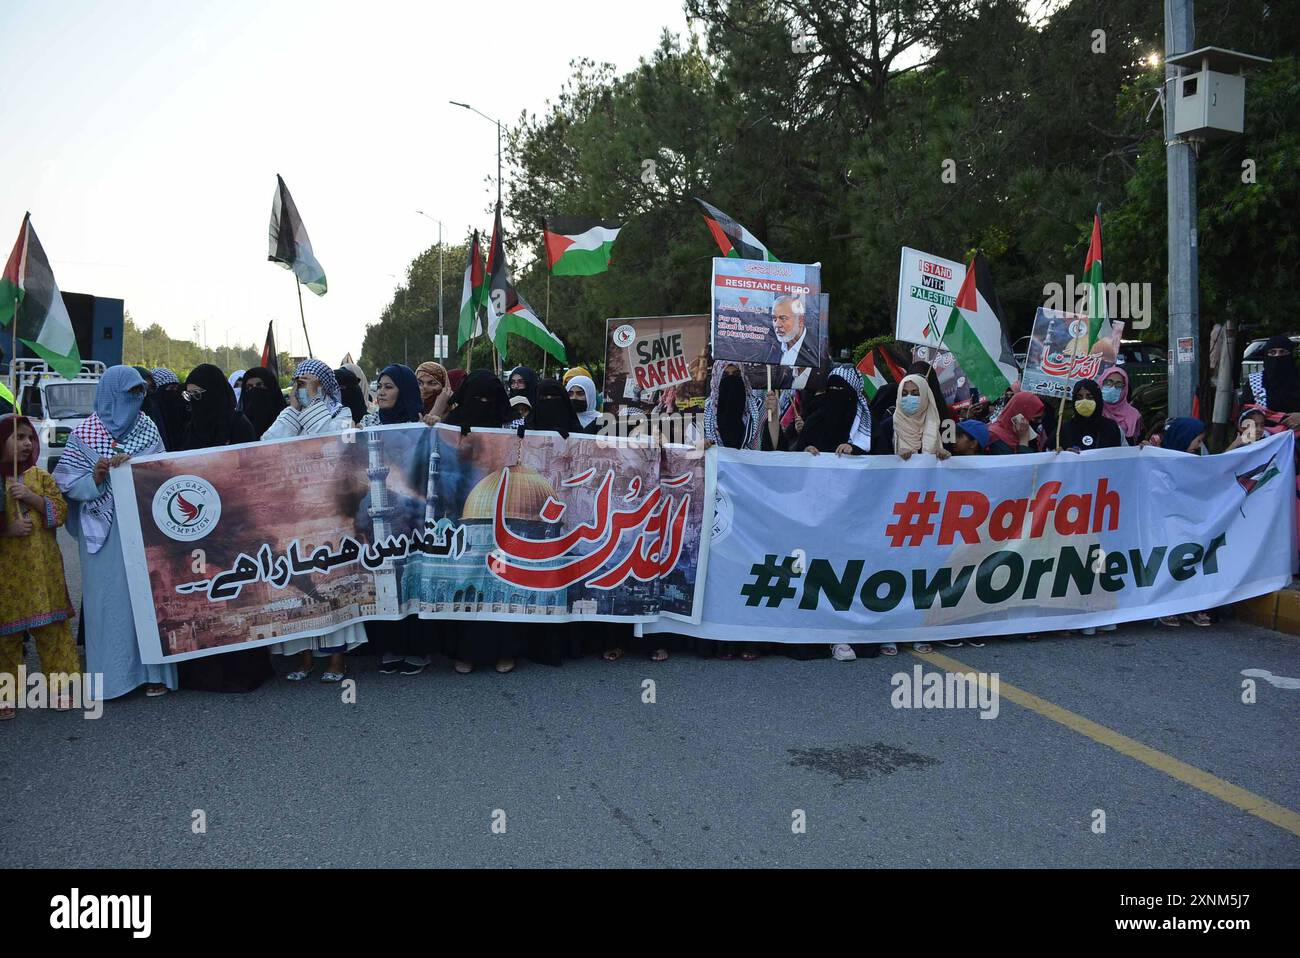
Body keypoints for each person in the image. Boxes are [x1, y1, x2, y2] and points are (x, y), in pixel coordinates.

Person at [53, 366, 177, 699]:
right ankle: (114, 678)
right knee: (108, 602)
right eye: (129, 394)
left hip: (142, 527)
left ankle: (154, 674)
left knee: (148, 599)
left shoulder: (147, 428)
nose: (136, 401)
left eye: (140, 394)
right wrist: (96, 477)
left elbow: (164, 473)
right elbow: (65, 481)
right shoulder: (85, 433)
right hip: (103, 532)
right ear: (110, 394)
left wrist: (136, 467)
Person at [260, 360, 367, 682]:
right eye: (296, 382)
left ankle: (336, 660)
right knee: (298, 585)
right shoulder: (289, 414)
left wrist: (311, 407)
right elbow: (269, 444)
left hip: (330, 512)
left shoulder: (341, 414)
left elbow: (333, 443)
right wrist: (294, 410)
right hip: (294, 511)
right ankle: (303, 658)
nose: (300, 388)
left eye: (306, 382)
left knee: (332, 583)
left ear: (322, 384)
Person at [172, 368, 272, 693]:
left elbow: (250, 473)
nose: (192, 403)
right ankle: (204, 672)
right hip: (198, 532)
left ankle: (243, 669)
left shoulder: (238, 425)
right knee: (202, 598)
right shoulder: (189, 427)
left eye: (199, 396)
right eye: (188, 396)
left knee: (236, 597)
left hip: (233, 526)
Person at [440, 370, 526, 674]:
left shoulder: (513, 425)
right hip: (465, 517)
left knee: (500, 582)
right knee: (466, 583)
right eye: (478, 399)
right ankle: (464, 652)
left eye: (491, 399)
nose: (485, 404)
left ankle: (505, 651)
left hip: (505, 515)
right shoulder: (451, 425)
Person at [358, 364, 435, 675]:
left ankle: (418, 648)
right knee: (387, 577)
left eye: (389, 386)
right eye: (379, 386)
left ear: (404, 389)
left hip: (414, 516)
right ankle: (390, 645)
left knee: (413, 576)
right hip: (380, 512)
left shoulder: (421, 424)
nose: (382, 392)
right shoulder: (368, 423)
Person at [1, 415, 79, 719]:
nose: (26, 444)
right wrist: (8, 530)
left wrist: (32, 498)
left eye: (29, 438)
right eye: (17, 437)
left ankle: (60, 689)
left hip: (42, 572)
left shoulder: (40, 477)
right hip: (7, 574)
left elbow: (60, 512)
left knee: (52, 630)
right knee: (6, 637)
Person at [1154, 418, 1213, 628]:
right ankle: (1167, 606)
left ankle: (1193, 606)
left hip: (1192, 523)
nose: (1199, 446)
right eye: (1197, 441)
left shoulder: (1199, 461)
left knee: (1196, 560)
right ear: (1183, 438)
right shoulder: (1159, 461)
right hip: (1167, 524)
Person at [791, 365, 871, 457]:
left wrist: (854, 449)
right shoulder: (814, 420)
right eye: (832, 388)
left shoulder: (866, 423)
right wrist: (806, 451)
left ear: (852, 393)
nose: (836, 393)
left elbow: (879, 456)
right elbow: (798, 451)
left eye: (841, 389)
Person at [179, 364, 255, 450]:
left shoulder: (238, 425)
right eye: (189, 394)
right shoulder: (192, 429)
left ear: (214, 393)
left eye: (196, 393)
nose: (192, 400)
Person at [704, 361, 763, 450]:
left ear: (743, 376)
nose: (731, 379)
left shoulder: (758, 407)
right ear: (717, 377)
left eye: (736, 374)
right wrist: (702, 443)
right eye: (725, 375)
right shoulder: (706, 410)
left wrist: (773, 417)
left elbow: (772, 446)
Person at [1244, 335, 1300, 426]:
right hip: (1265, 436)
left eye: (1282, 352)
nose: (1278, 356)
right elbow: (1244, 413)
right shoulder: (1256, 382)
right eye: (1272, 352)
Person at [892, 373, 948, 461]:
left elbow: (954, 454)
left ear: (925, 395)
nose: (909, 397)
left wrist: (944, 456)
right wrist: (896, 456)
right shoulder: (889, 425)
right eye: (904, 393)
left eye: (915, 393)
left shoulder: (942, 424)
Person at [1060, 379, 1122, 451]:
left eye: (1090, 397)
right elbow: (1049, 453)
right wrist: (1060, 453)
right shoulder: (1065, 429)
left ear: (1097, 399)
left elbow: (1125, 454)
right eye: (1079, 398)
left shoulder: (1112, 427)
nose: (1084, 401)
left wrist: (1138, 450)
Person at [236, 366, 287, 439]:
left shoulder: (285, 418)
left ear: (270, 386)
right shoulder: (241, 423)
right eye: (249, 387)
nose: (254, 390)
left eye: (259, 385)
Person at [769, 295, 819, 367]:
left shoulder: (817, 348)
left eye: (783, 318)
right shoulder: (770, 348)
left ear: (800, 320)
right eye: (774, 319)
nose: (777, 325)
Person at [149, 367, 188, 452]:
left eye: (176, 388)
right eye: (171, 388)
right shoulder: (148, 421)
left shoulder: (182, 412)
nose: (175, 392)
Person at [1100, 367, 1142, 444]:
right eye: (1108, 382)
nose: (1113, 388)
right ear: (1101, 383)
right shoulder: (1094, 411)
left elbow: (1138, 442)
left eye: (1118, 384)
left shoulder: (1134, 415)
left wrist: (1143, 445)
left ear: (1125, 389)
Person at [416, 361, 449, 426]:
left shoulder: (455, 413)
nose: (424, 387)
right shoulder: (411, 410)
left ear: (444, 385)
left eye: (432, 383)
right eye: (419, 383)